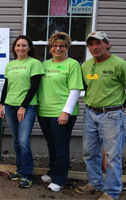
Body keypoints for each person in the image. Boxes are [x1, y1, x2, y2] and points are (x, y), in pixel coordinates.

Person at [74, 31, 126, 200]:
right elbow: (83, 88)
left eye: (98, 43)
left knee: (112, 156)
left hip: (111, 115)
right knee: (89, 152)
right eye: (91, 44)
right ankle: (95, 183)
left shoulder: (119, 64)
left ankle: (112, 192)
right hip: (90, 113)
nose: (94, 47)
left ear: (107, 44)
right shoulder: (86, 66)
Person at [37, 32, 83, 192]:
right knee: (51, 144)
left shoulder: (72, 64)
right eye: (55, 45)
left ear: (67, 48)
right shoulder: (44, 65)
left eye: (62, 45)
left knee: (61, 146)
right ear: (50, 48)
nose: (58, 48)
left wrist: (66, 112)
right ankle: (52, 172)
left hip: (62, 112)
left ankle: (59, 179)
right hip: (44, 111)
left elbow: (75, 89)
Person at [0, 35, 45, 188]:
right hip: (10, 106)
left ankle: (27, 174)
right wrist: (1, 104)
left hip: (27, 107)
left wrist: (23, 106)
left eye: (24, 45)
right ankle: (19, 169)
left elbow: (34, 87)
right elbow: (6, 86)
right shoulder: (10, 65)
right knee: (16, 140)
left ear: (29, 48)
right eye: (18, 45)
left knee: (24, 141)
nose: (21, 48)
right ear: (14, 48)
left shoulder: (35, 63)